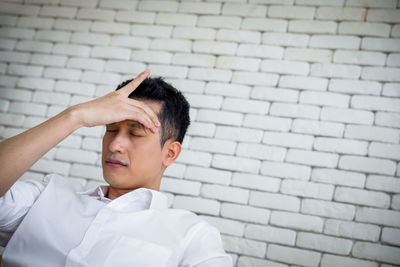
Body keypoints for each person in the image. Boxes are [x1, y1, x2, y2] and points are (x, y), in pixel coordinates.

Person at [0, 70, 232, 266]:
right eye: (110, 130)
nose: (115, 144)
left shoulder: (192, 236)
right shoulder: (42, 199)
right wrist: (76, 116)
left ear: (169, 153)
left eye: (135, 133)